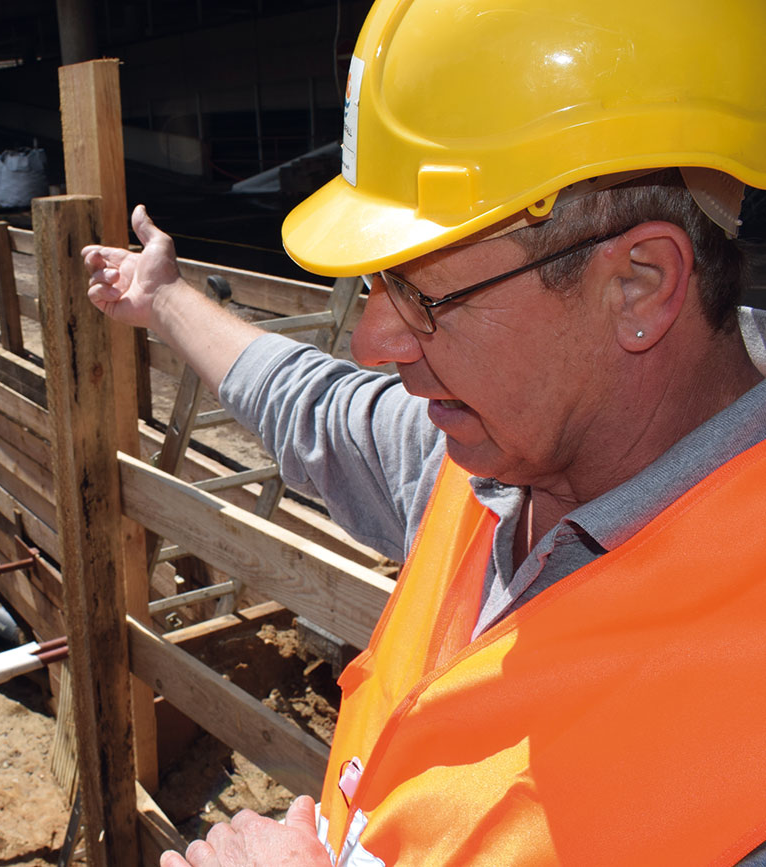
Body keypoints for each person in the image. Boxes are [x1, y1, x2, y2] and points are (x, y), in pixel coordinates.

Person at [82, 1, 766, 864]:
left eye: (425, 294)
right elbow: (313, 405)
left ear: (638, 285)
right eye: (377, 285)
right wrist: (165, 297)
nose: (374, 340)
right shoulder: (492, 456)